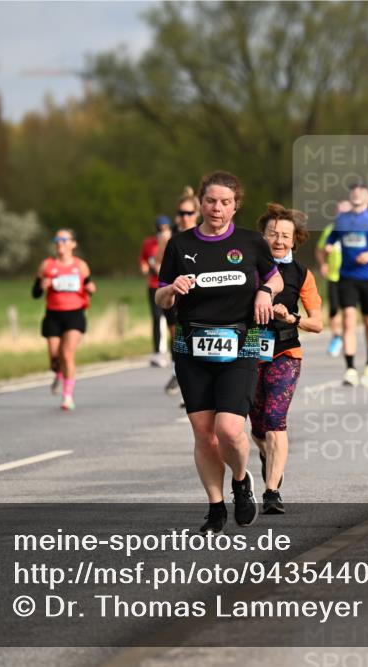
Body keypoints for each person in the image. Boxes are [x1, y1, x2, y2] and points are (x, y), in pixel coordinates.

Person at [155, 171, 283, 533]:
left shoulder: (250, 242)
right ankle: (215, 506)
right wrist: (173, 290)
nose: (217, 208)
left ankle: (241, 482)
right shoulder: (179, 245)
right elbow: (160, 296)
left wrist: (265, 292)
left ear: (235, 206)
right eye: (211, 201)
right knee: (204, 433)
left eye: (225, 202)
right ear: (200, 202)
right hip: (191, 347)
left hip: (241, 342)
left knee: (229, 429)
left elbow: (274, 276)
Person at [250, 203, 323, 514]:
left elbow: (317, 322)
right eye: (272, 234)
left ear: (295, 240)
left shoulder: (302, 274)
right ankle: (269, 458)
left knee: (275, 421)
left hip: (285, 352)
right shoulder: (249, 268)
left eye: (285, 236)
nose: (278, 241)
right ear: (262, 237)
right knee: (256, 426)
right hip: (250, 350)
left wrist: (292, 318)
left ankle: (271, 492)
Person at [323, 181, 368, 388]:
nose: (356, 194)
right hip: (347, 277)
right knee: (348, 319)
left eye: (361, 191)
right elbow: (331, 238)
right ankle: (350, 369)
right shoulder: (342, 220)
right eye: (353, 191)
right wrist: (329, 246)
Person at [32, 229, 96, 411]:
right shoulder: (47, 265)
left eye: (64, 239)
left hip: (75, 314)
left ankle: (67, 396)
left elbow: (89, 285)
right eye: (57, 239)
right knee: (54, 358)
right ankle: (58, 372)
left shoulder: (80, 266)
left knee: (67, 354)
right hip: (53, 314)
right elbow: (34, 293)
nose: (60, 242)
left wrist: (91, 288)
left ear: (73, 244)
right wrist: (41, 286)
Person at [163, 188, 201, 397]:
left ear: (197, 214)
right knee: (176, 335)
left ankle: (192, 376)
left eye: (188, 213)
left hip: (199, 295)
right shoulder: (173, 238)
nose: (184, 218)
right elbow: (160, 263)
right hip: (175, 293)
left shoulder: (204, 234)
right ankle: (178, 371)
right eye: (181, 213)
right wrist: (164, 239)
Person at [316, 200, 350, 357]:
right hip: (334, 276)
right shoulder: (331, 230)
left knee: (349, 310)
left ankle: (348, 337)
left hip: (351, 277)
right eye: (339, 211)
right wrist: (323, 264)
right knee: (334, 308)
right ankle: (336, 337)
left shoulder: (356, 230)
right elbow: (320, 249)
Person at [140, 215, 173, 367]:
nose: (162, 231)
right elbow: (144, 262)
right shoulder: (148, 243)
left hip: (171, 286)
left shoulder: (174, 242)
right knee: (156, 317)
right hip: (154, 284)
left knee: (171, 320)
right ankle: (158, 352)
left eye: (165, 228)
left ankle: (172, 351)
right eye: (160, 229)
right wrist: (146, 267)